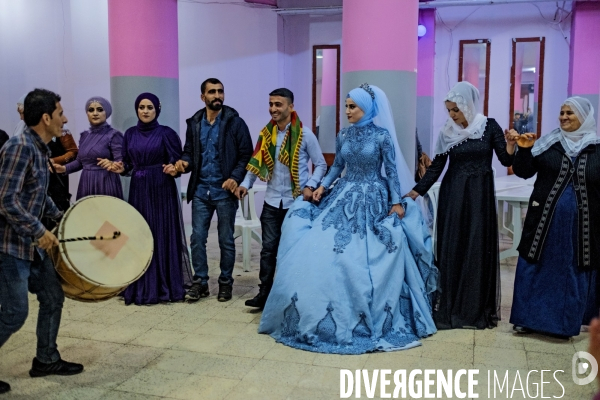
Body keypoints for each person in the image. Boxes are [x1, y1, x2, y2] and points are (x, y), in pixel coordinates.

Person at [257, 84, 438, 354]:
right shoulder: (343, 135)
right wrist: (322, 187)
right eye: (346, 105)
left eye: (353, 106)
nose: (347, 111)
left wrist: (396, 202)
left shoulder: (382, 136)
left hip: (373, 198)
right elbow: (337, 167)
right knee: (317, 246)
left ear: (367, 108)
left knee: (367, 253)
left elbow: (390, 171)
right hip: (343, 195)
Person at [405, 81, 517, 330]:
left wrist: (510, 144)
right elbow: (436, 167)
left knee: (476, 247)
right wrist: (415, 191)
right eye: (449, 110)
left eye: (456, 109)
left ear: (468, 105)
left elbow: (505, 159)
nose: (453, 115)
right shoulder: (448, 132)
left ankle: (474, 309)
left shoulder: (489, 126)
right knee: (454, 248)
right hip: (453, 195)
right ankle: (452, 307)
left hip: (480, 197)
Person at [0, 89, 84, 394]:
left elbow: (37, 194)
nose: (65, 119)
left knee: (52, 296)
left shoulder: (41, 148)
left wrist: (62, 217)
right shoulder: (19, 147)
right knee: (13, 312)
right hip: (10, 246)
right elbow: (6, 200)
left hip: (31, 244)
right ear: (46, 117)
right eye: (60, 113)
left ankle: (46, 359)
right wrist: (39, 231)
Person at [508, 97, 600, 338]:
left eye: (570, 112)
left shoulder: (596, 148)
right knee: (535, 265)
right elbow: (523, 171)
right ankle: (526, 319)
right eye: (561, 112)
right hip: (543, 222)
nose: (564, 117)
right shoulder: (549, 143)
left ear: (585, 117)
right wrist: (524, 150)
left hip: (581, 227)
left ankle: (565, 324)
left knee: (572, 270)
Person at [236, 88, 327, 309]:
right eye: (271, 104)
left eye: (278, 104)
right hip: (271, 202)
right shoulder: (266, 135)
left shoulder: (305, 134)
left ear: (290, 107)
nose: (273, 109)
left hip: (296, 203)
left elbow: (321, 164)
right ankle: (264, 294)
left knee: (293, 250)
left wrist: (310, 185)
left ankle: (292, 295)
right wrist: (245, 184)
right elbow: (255, 163)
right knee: (268, 249)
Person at [173, 78, 253, 302]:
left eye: (220, 91)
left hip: (224, 192)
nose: (217, 95)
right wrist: (184, 163)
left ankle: (226, 283)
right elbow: (189, 151)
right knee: (197, 238)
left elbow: (246, 154)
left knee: (226, 239)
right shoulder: (195, 122)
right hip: (200, 190)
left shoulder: (235, 122)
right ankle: (200, 283)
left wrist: (235, 177)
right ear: (203, 97)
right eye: (212, 92)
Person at [111, 92, 192, 305]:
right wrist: (121, 168)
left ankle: (164, 284)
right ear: (136, 109)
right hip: (138, 190)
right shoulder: (129, 134)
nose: (145, 111)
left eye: (150, 107)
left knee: (161, 233)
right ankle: (142, 284)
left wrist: (174, 169)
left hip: (161, 189)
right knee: (140, 234)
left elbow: (179, 163)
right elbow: (128, 164)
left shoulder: (167, 133)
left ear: (157, 110)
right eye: (141, 107)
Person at [52, 97, 123, 200]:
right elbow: (80, 162)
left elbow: (121, 161)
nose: (95, 113)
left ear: (106, 113)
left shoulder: (113, 135)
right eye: (91, 110)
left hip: (106, 182)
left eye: (99, 109)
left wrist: (113, 164)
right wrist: (64, 168)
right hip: (86, 183)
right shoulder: (85, 135)